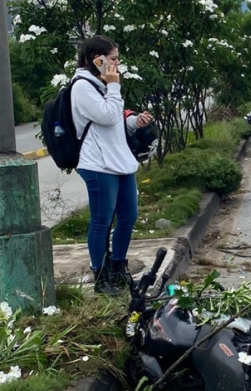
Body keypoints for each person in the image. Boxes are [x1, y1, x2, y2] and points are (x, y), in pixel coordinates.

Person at [71, 35, 153, 295]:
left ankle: (118, 267)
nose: (117, 64)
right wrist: (115, 86)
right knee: (101, 221)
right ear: (98, 59)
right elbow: (106, 116)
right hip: (97, 164)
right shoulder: (82, 86)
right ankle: (100, 275)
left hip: (119, 161)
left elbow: (114, 120)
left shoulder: (101, 84)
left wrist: (134, 122)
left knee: (129, 216)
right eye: (114, 59)